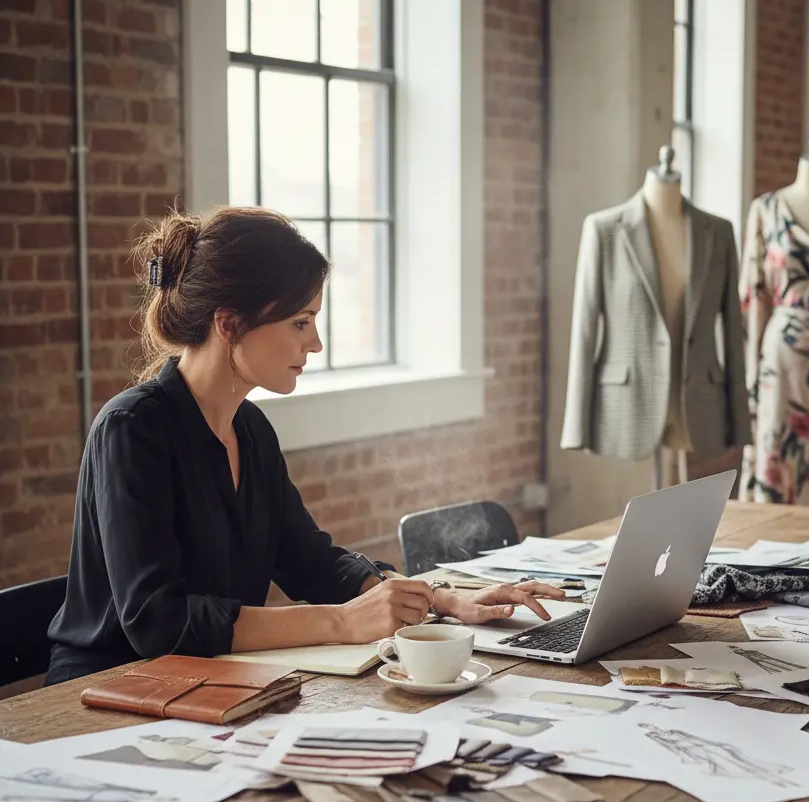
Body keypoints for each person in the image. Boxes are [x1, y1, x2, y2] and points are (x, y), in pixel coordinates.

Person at [46, 207, 563, 684]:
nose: (314, 343)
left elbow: (308, 560)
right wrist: (340, 622)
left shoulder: (250, 429)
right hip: (109, 694)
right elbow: (158, 622)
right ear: (229, 324)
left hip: (210, 684)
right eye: (300, 322)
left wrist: (440, 600)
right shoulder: (131, 429)